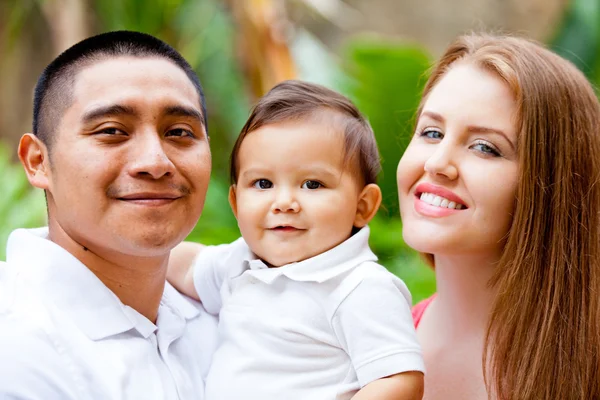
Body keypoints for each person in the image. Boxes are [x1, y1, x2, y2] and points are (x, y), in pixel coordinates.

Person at [167, 80, 425, 400]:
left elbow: (399, 380)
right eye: (263, 183)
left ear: (362, 207)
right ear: (236, 204)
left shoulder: (360, 286)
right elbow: (182, 262)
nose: (284, 202)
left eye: (312, 184)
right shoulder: (238, 263)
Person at [0, 31, 219, 399]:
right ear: (38, 162)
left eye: (179, 132)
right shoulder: (16, 341)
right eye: (112, 131)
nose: (155, 162)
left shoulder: (222, 312)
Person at [398, 33, 600, 399]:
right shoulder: (365, 351)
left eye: (485, 148)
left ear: (550, 187)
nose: (437, 162)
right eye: (431, 132)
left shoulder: (587, 368)